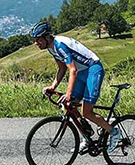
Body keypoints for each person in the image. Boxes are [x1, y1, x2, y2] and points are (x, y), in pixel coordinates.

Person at [29, 21, 119, 150]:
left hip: (93, 69)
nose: (36, 43)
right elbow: (62, 68)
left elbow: (72, 70)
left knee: (86, 112)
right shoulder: (51, 48)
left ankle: (114, 132)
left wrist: (68, 94)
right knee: (69, 105)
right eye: (35, 40)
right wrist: (53, 87)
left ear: (47, 37)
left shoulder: (59, 45)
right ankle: (86, 136)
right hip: (82, 72)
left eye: (38, 40)